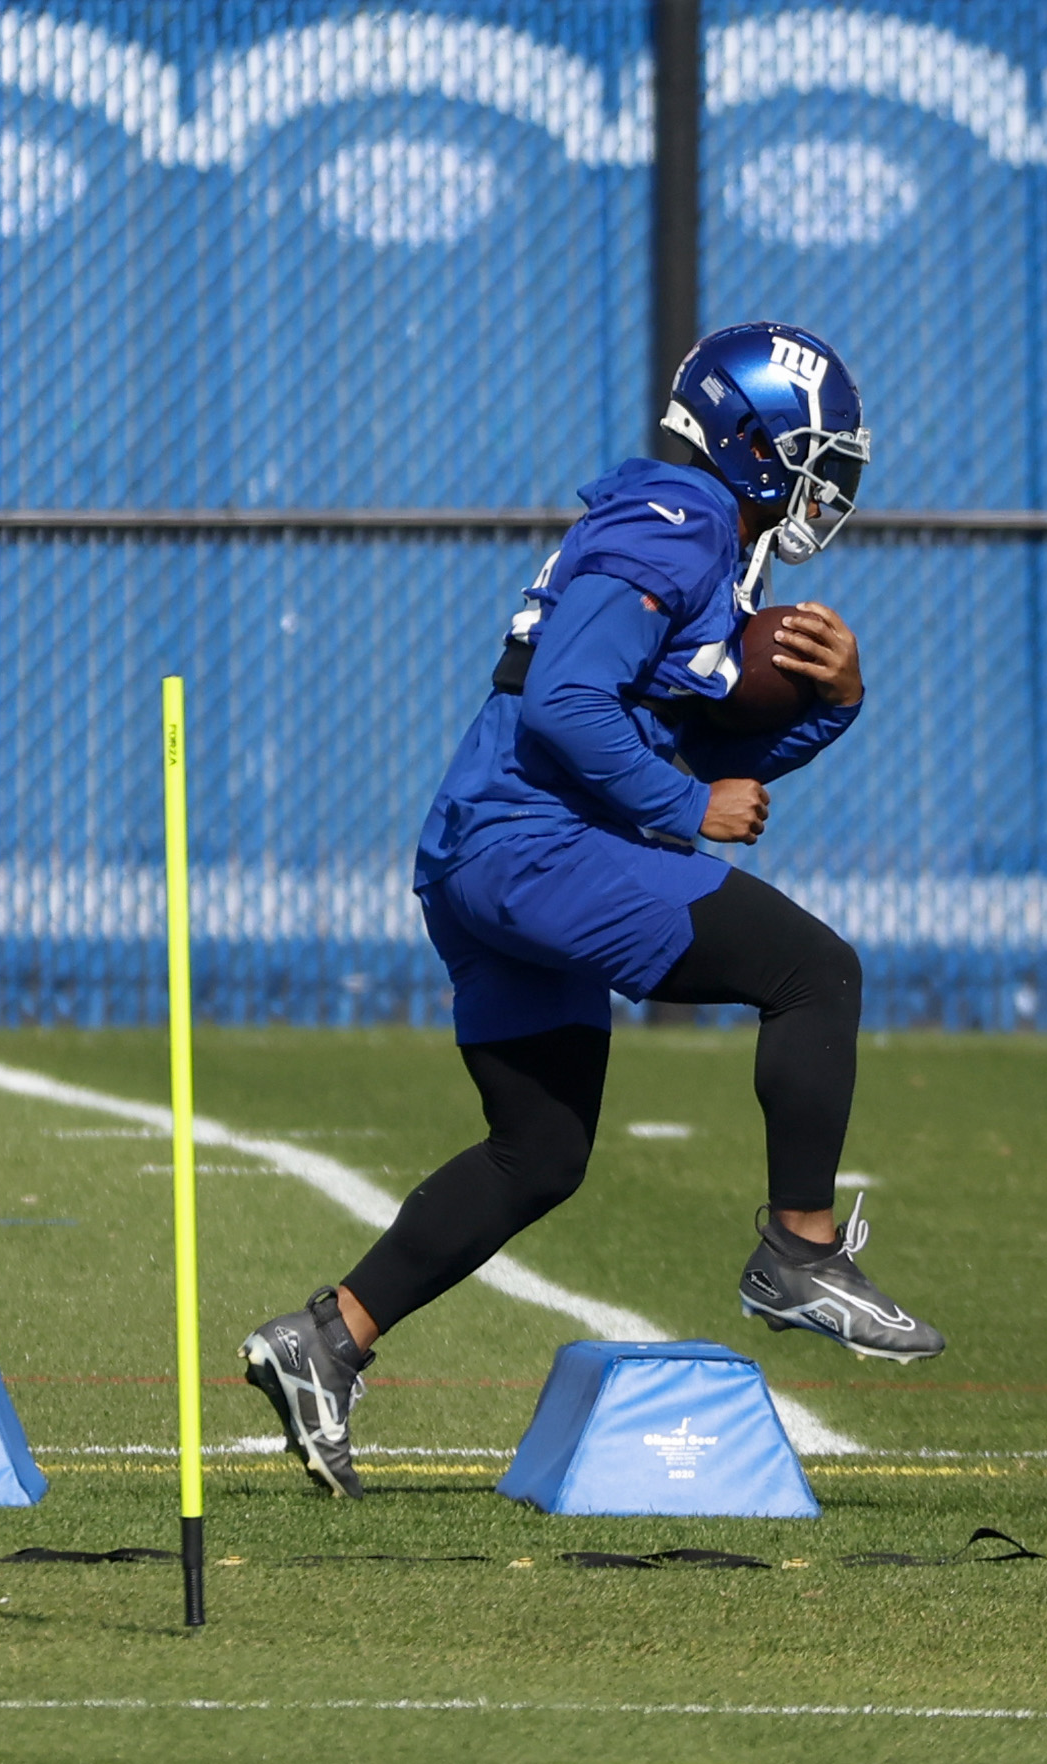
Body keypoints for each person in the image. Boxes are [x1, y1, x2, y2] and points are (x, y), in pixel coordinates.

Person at [240, 324, 942, 1498]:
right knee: (815, 975)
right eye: (816, 455)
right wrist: (679, 806)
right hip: (536, 845)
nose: (831, 485)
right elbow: (570, 702)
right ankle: (799, 1253)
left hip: (495, 849)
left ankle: (330, 1339)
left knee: (541, 1152)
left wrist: (839, 705)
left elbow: (711, 748)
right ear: (758, 439)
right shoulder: (681, 520)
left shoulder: (693, 537)